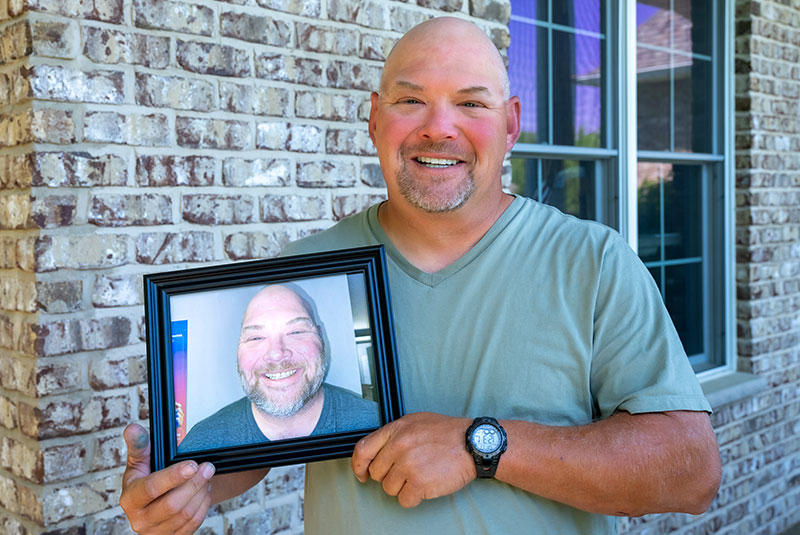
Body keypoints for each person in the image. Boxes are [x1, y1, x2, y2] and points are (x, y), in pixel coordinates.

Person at [120, 16, 721, 534]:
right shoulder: (308, 272)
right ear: (374, 119)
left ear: (511, 124)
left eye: (471, 103)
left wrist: (480, 446)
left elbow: (690, 473)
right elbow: (266, 430)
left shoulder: (592, 261)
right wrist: (187, 486)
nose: (438, 127)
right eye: (411, 101)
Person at [177, 284, 379, 452]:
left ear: (321, 338)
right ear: (237, 350)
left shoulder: (376, 425)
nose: (276, 353)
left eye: (296, 332)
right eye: (256, 337)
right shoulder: (198, 446)